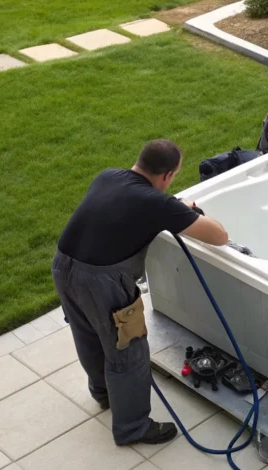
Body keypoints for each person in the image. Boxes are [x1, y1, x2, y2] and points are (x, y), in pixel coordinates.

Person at [52, 139, 228, 446]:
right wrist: (182, 211)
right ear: (168, 176)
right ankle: (132, 427)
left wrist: (174, 209)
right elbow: (219, 236)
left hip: (63, 266)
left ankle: (104, 393)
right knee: (128, 349)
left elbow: (131, 208)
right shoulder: (157, 204)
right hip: (101, 282)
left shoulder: (109, 176)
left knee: (88, 335)